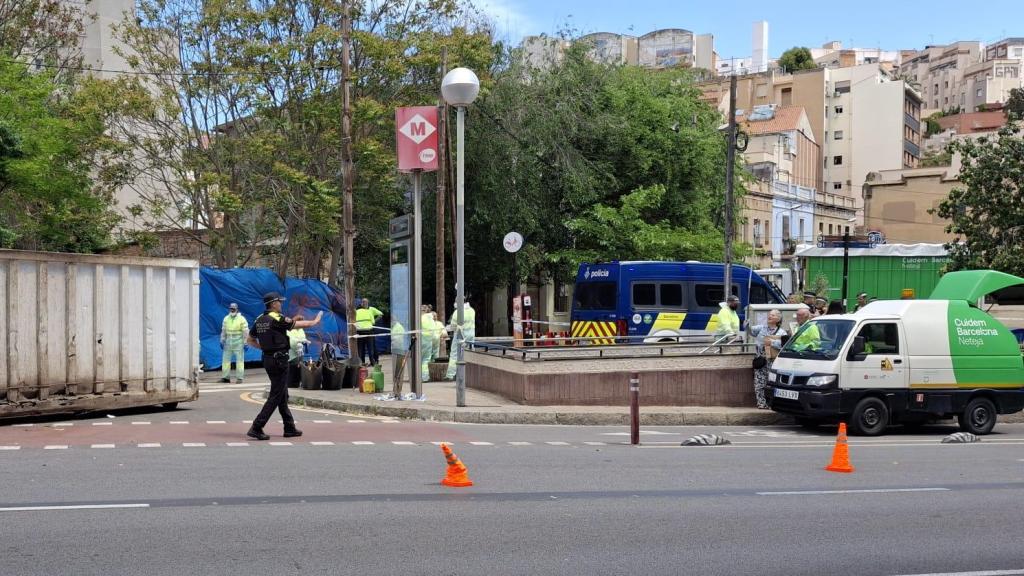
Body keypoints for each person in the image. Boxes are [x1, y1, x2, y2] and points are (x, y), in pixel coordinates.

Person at [245, 292, 322, 441]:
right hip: (279, 360)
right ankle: (257, 427)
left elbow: (250, 340)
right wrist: (314, 322)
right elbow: (295, 325)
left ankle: (289, 427)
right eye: (279, 302)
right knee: (276, 395)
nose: (281, 304)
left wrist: (265, 348)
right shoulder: (276, 318)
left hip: (268, 359)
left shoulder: (260, 320)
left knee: (282, 394)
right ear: (273, 304)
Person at [748, 309, 787, 409]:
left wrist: (772, 342)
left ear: (778, 319)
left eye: (773, 315)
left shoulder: (782, 332)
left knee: (772, 382)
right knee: (759, 382)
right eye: (769, 315)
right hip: (761, 359)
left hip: (773, 361)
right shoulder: (761, 328)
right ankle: (761, 403)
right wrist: (746, 325)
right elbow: (751, 331)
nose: (770, 316)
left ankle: (771, 403)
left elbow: (784, 345)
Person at [445, 295, 476, 380]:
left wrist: (447, 328)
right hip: (470, 335)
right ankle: (470, 373)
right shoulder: (472, 310)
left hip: (460, 335)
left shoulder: (457, 312)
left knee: (454, 354)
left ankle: (451, 375)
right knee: (469, 353)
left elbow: (453, 326)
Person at [220, 303, 248, 384]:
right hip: (228, 343)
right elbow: (223, 330)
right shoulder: (226, 319)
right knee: (225, 361)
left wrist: (245, 342)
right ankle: (225, 378)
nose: (232, 310)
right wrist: (222, 340)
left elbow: (245, 332)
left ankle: (239, 378)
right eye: (231, 309)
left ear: (237, 309)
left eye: (234, 309)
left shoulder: (241, 319)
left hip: (238, 343)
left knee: (239, 362)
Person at [355, 298, 383, 366]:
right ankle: (373, 362)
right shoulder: (369, 311)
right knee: (371, 348)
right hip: (369, 330)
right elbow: (373, 321)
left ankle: (361, 363)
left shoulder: (356, 311)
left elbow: (354, 321)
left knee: (360, 348)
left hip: (360, 331)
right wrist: (372, 323)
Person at [419, 304, 436, 382]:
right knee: (426, 360)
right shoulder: (431, 318)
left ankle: (420, 377)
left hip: (421, 339)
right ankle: (425, 377)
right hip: (429, 340)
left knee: (419, 359)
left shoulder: (420, 318)